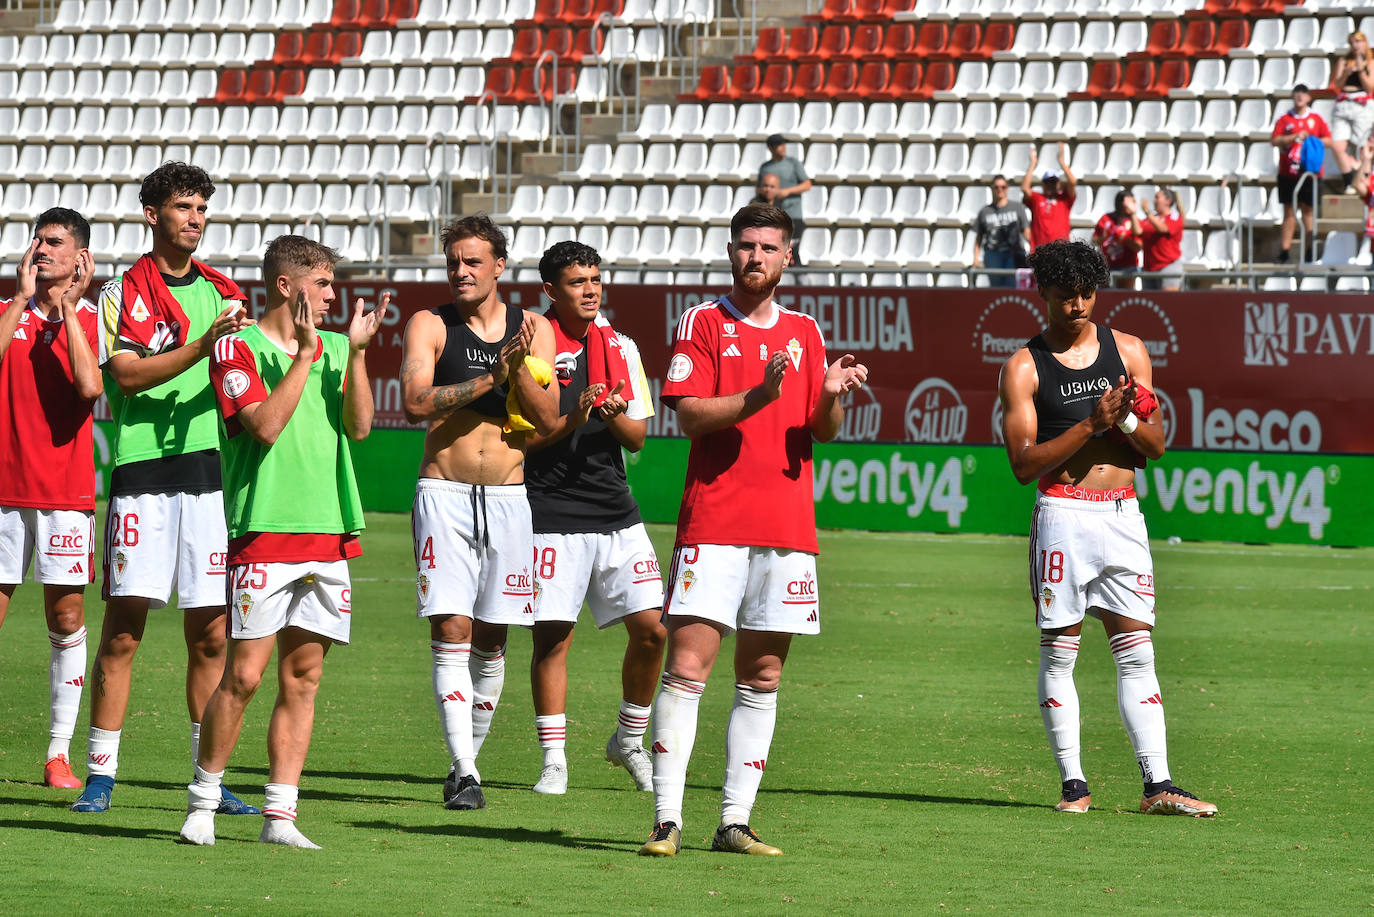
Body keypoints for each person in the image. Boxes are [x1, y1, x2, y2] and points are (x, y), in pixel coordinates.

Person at [637, 203, 869, 857]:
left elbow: (822, 431)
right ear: (730, 251)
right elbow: (688, 416)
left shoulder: (806, 330)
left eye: (768, 247)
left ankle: (734, 822)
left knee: (763, 675)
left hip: (787, 528)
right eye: (746, 246)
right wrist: (760, 396)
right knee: (688, 667)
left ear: (788, 256)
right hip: (715, 520)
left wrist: (832, 394)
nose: (755, 257)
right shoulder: (703, 322)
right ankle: (666, 821)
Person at [996, 239, 1217, 819]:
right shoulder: (1024, 367)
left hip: (1122, 513)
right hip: (1062, 514)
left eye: (1087, 295)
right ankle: (1074, 785)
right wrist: (1092, 425)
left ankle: (1158, 785)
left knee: (1138, 652)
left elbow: (1157, 445)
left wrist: (1125, 422)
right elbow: (1023, 464)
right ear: (1043, 293)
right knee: (1059, 653)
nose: (1078, 306)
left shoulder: (1129, 352)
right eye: (1065, 296)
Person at [179, 236, 384, 848]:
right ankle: (202, 804)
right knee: (243, 677)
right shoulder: (236, 346)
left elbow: (361, 427)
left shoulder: (339, 347)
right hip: (264, 529)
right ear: (287, 286)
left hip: (328, 531)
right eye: (322, 284)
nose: (332, 296)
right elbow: (265, 427)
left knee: (304, 678)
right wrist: (305, 356)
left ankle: (281, 816)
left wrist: (356, 354)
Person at [74, 162, 258, 814]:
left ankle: (209, 777)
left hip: (207, 476)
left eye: (202, 209)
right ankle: (100, 774)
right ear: (153, 214)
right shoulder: (122, 291)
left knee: (211, 635)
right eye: (184, 207)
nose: (195, 219)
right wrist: (203, 347)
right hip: (143, 473)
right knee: (124, 631)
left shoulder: (223, 292)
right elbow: (125, 375)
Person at [401, 214, 558, 811]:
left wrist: (518, 374)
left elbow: (547, 420)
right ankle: (467, 773)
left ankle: (463, 760)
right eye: (453, 262)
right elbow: (415, 402)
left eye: (473, 261)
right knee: (452, 629)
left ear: (499, 266)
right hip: (443, 493)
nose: (461, 271)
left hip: (509, 498)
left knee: (493, 639)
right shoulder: (430, 323)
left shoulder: (535, 328)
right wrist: (491, 377)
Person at [524, 240, 666, 796]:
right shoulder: (532, 341)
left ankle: (628, 740)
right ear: (551, 290)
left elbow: (638, 438)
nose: (590, 290)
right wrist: (574, 414)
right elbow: (524, 438)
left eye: (595, 280)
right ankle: (553, 760)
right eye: (577, 282)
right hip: (549, 508)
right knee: (553, 638)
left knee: (653, 631)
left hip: (614, 509)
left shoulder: (621, 346)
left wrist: (610, 413)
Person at [0, 210, 99, 789]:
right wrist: (20, 299)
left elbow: (89, 387)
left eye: (54, 242)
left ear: (79, 257)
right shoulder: (8, 312)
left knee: (66, 618)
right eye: (36, 239)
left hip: (64, 495)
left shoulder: (94, 318)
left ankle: (58, 753)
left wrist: (69, 311)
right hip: (4, 493)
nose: (40, 249)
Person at [1271, 83, 1332, 264]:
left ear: (1309, 98)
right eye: (1297, 92)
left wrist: (1311, 141)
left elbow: (1328, 140)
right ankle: (1285, 251)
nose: (1300, 96)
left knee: (1308, 211)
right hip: (1288, 173)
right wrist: (1292, 137)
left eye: (1303, 93)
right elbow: (1274, 140)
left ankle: (1309, 250)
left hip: (1309, 174)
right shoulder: (1285, 120)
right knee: (1289, 212)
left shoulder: (1315, 119)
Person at [1329, 31, 1374, 193]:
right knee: (1337, 146)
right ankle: (1349, 180)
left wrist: (1361, 70)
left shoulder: (1370, 61)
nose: (1355, 45)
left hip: (1362, 104)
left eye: (1358, 41)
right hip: (1343, 102)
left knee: (1364, 146)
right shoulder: (1344, 60)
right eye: (1352, 42)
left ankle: (1364, 181)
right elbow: (1337, 85)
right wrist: (1347, 73)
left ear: (1364, 42)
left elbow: (1370, 87)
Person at [758, 134, 811, 266]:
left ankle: (798, 277)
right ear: (770, 148)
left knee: (792, 250)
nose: (782, 147)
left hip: (793, 214)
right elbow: (758, 189)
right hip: (774, 216)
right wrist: (770, 192)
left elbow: (807, 184)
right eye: (778, 145)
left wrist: (787, 191)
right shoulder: (765, 167)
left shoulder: (793, 163)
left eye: (783, 144)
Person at [973, 174, 1030, 288]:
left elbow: (1027, 232)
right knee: (996, 288)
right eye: (996, 187)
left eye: (1003, 187)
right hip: (993, 255)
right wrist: (975, 259)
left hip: (1013, 254)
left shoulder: (1017, 207)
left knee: (1012, 286)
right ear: (992, 189)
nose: (1000, 190)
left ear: (1007, 189)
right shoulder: (984, 211)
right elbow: (979, 237)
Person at [1021, 142, 1078, 251]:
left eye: (1053, 182)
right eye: (1047, 182)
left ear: (1059, 184)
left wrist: (1061, 161)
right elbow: (1025, 188)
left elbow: (1073, 182)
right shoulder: (1037, 198)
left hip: (1061, 249)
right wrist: (1033, 164)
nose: (1050, 185)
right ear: (1043, 184)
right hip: (1040, 249)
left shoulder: (1064, 199)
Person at [1092, 190, 1143, 288]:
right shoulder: (1106, 218)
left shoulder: (1135, 221)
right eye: (1129, 202)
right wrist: (1103, 238)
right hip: (1107, 266)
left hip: (1128, 267)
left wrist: (1124, 239)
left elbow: (1138, 247)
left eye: (1133, 202)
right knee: (1106, 295)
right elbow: (1094, 240)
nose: (1132, 205)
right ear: (1120, 202)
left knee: (1124, 295)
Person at [1139, 188, 1185, 291]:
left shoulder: (1174, 217)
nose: (1154, 200)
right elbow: (1138, 231)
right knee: (1148, 301)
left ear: (1167, 201)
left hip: (1168, 266)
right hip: (1149, 268)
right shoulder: (1150, 219)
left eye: (1157, 197)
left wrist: (1147, 211)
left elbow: (1163, 228)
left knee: (1168, 300)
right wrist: (1132, 213)